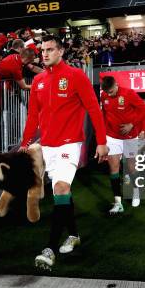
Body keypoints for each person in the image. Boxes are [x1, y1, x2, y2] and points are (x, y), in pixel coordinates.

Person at [20, 35, 108, 270]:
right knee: (63, 193)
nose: (45, 54)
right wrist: (24, 142)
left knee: (60, 188)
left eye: (50, 49)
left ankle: (49, 250)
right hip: (48, 146)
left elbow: (94, 110)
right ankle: (74, 234)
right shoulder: (38, 80)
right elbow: (32, 116)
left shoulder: (75, 76)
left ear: (61, 52)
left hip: (70, 144)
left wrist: (101, 142)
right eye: (42, 50)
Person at [100, 76, 145, 213]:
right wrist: (103, 137)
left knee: (131, 167)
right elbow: (104, 115)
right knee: (113, 169)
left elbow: (144, 110)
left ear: (116, 84)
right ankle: (118, 203)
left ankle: (136, 191)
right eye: (107, 92)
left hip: (129, 137)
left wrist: (132, 124)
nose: (109, 94)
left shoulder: (129, 93)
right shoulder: (104, 96)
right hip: (112, 137)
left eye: (111, 91)